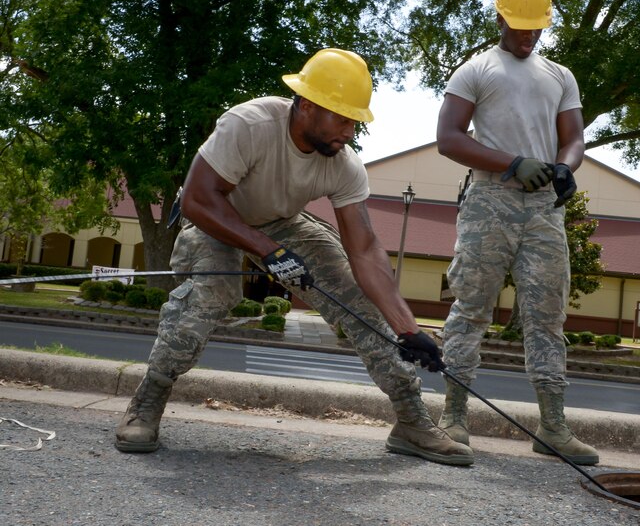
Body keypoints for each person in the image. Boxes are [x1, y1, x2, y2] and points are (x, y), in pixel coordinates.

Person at [115, 48, 473, 466]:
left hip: (281, 223)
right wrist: (267, 251)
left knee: (355, 294)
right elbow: (197, 200)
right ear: (306, 106)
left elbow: (365, 249)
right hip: (216, 217)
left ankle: (412, 420)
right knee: (214, 291)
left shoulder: (344, 164)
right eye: (341, 118)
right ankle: (147, 401)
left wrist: (407, 329)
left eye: (354, 120)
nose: (349, 130)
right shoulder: (250, 124)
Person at [435, 0, 599, 465]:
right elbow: (449, 137)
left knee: (548, 317)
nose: (528, 36)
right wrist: (510, 162)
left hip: (543, 210)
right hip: (490, 202)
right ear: (502, 16)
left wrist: (566, 168)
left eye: (537, 28)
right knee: (471, 308)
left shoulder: (560, 76)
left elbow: (572, 138)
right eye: (520, 26)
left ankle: (552, 426)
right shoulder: (476, 69)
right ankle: (453, 416)